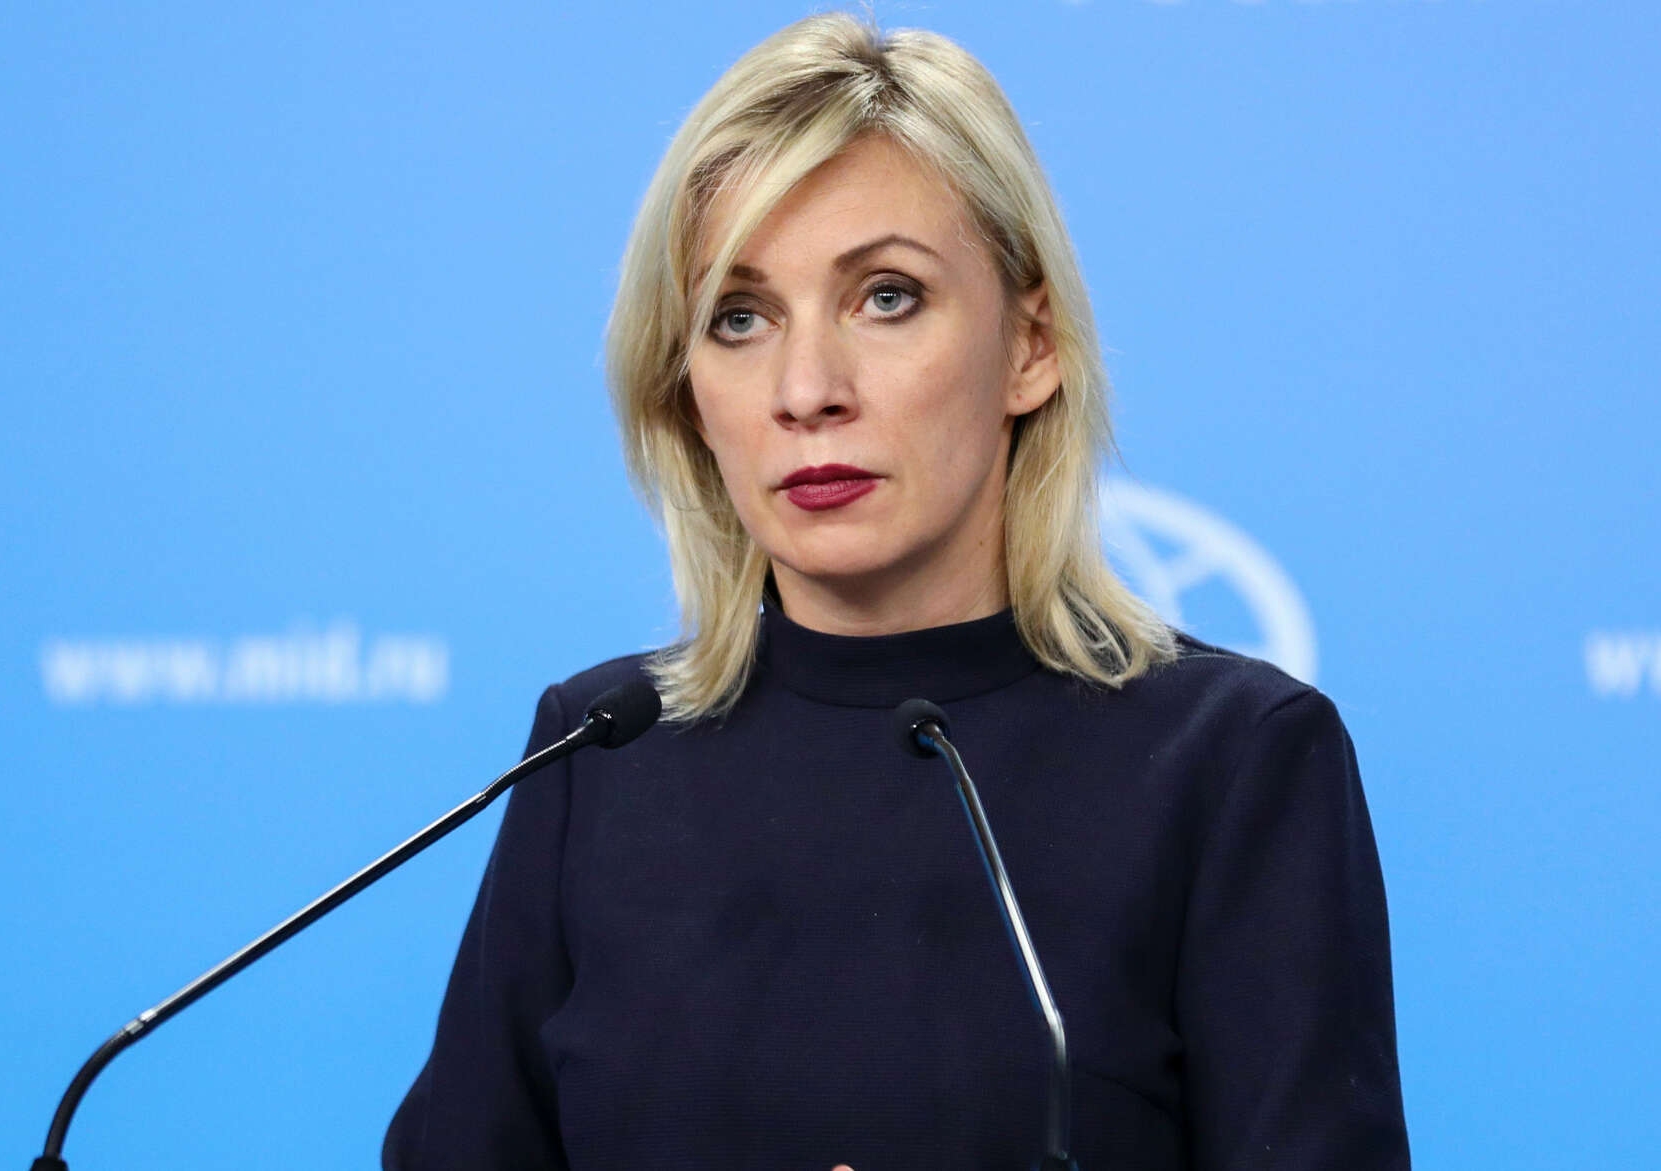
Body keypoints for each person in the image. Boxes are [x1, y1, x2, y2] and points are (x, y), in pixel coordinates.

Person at [384, 11, 1410, 1170]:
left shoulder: (1232, 762)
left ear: (1030, 346)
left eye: (884, 296)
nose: (806, 389)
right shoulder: (597, 752)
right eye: (738, 318)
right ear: (685, 391)